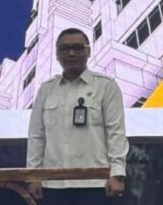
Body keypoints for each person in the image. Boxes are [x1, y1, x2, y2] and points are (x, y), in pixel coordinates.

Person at [27, 28, 129, 205]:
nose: (71, 53)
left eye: (78, 47)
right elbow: (37, 136)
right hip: (53, 185)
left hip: (95, 183)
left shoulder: (106, 86)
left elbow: (116, 133)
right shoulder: (46, 89)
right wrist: (34, 176)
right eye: (65, 49)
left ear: (88, 51)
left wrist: (117, 174)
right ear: (57, 54)